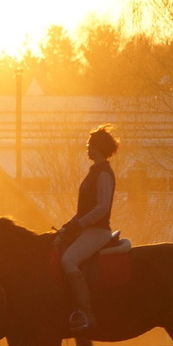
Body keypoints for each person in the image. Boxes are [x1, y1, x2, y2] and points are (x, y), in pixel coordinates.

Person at [55, 125, 119, 332]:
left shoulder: (103, 174)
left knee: (69, 260)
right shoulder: (94, 172)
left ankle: (85, 313)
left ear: (97, 148)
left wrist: (78, 224)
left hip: (98, 232)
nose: (86, 148)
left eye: (89, 145)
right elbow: (84, 210)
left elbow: (102, 208)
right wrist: (69, 225)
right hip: (86, 229)